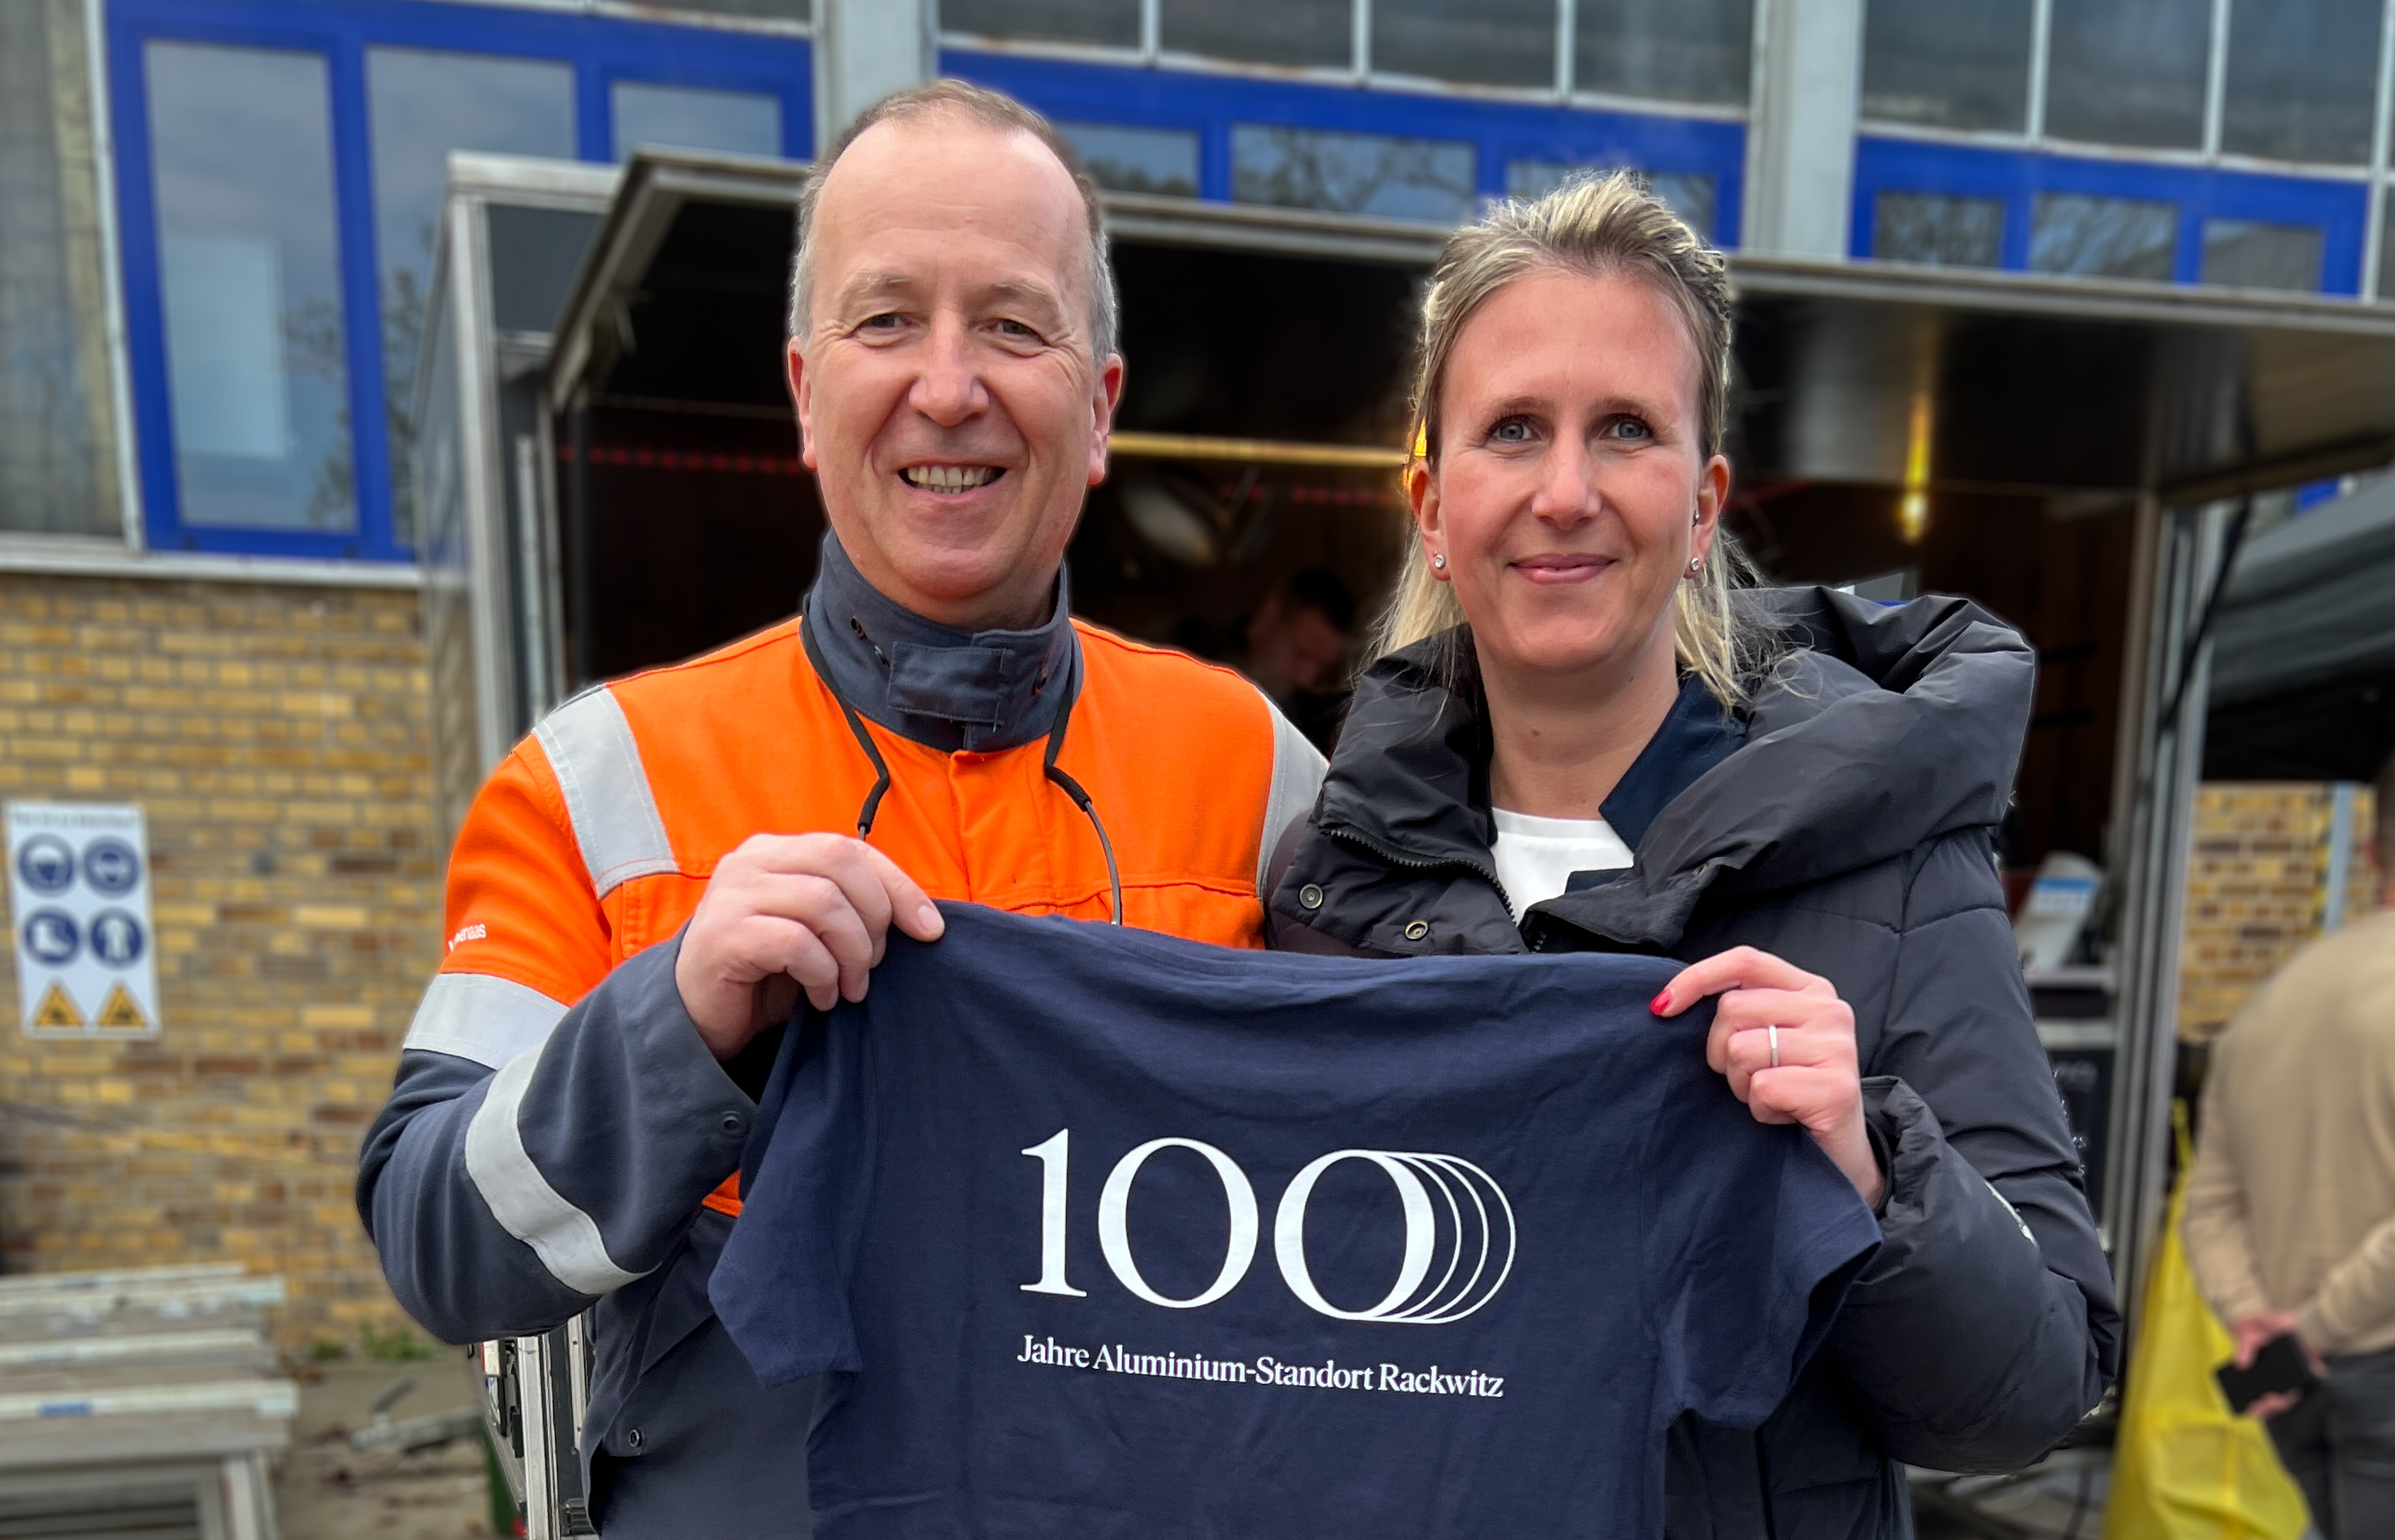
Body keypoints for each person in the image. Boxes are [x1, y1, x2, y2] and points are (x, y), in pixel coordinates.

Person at [357, 81, 1322, 1537]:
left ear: (1101, 408)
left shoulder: (1259, 770)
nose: (950, 385)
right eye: (887, 320)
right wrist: (677, 1022)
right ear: (806, 393)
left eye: (1015, 324)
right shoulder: (600, 777)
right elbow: (437, 1238)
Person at [1265, 174, 2119, 1538]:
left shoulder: (1888, 855)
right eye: (1512, 429)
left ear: (1705, 499)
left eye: (1626, 428)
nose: (1565, 491)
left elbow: (2030, 1392)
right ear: (1430, 503)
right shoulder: (1328, 883)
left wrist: (1867, 1163)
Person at [2184, 757, 2395, 1540]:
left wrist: (2258, 1322)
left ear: (2371, 850)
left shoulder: (2269, 1001)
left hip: (2292, 1382)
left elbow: (2207, 1207)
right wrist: (2313, 1326)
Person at [1222, 566, 1357, 750]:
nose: (1306, 679)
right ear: (1269, 616)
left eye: (1322, 668)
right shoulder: (1200, 662)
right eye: (1300, 654)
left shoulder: (1311, 722)